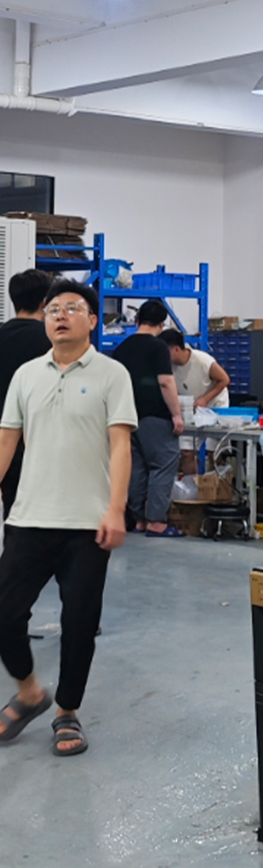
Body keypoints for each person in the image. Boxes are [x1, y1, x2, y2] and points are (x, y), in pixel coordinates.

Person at [0, 279, 137, 756]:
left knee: (79, 624)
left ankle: (66, 711)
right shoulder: (26, 376)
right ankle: (29, 693)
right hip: (28, 518)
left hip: (87, 524)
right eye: (53, 308)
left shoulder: (112, 374)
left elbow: (121, 446)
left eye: (72, 308)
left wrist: (115, 508)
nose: (60, 315)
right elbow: (7, 440)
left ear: (92, 320)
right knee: (5, 615)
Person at [112, 299, 184, 537]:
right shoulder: (158, 347)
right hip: (155, 415)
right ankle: (156, 522)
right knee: (163, 464)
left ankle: (139, 520)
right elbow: (165, 382)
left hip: (128, 415)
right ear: (162, 324)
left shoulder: (121, 348)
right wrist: (176, 414)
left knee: (136, 467)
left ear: (137, 320)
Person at [0, 269, 52, 519]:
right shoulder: (52, 340)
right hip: (39, 435)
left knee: (10, 505)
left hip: (3, 434)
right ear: (45, 302)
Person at [158, 328, 230, 408]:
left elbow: (224, 380)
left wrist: (205, 399)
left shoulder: (203, 360)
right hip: (194, 407)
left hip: (215, 405)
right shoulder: (168, 365)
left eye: (164, 352)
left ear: (177, 349)